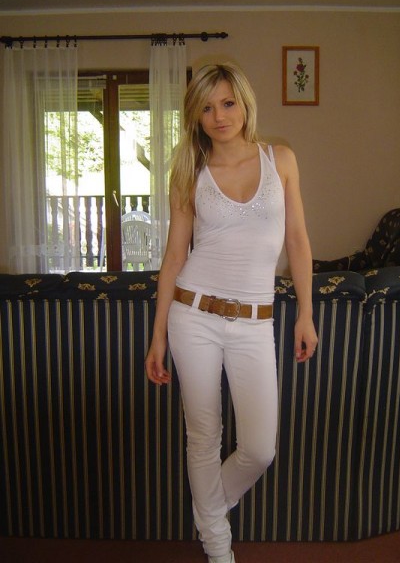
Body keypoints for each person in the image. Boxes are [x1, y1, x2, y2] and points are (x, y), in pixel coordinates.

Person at [145, 62, 318, 563]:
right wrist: (158, 335)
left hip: (255, 323)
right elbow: (174, 257)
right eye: (206, 107)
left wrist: (306, 314)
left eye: (227, 103)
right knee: (203, 435)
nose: (219, 116)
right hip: (193, 316)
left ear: (244, 103)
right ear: (194, 116)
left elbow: (298, 240)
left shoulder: (280, 159)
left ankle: (208, 514)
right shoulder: (189, 172)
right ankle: (219, 550)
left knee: (260, 448)